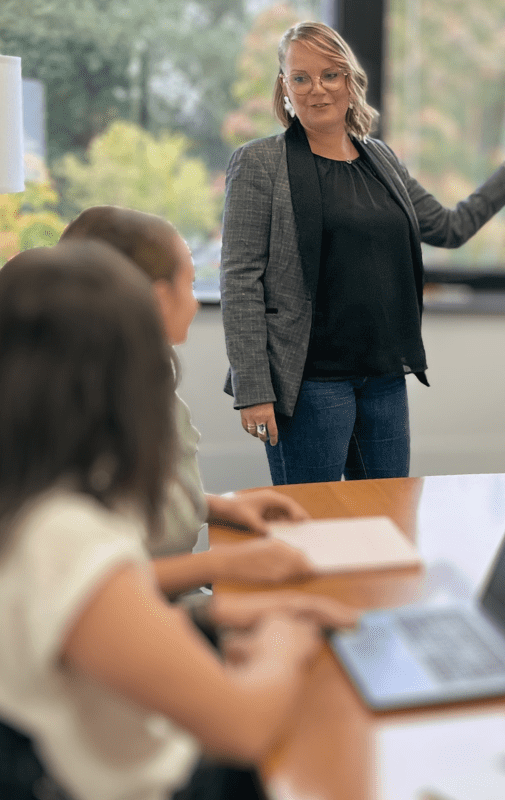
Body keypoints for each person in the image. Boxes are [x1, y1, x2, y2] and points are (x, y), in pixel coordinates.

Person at [0, 241, 358, 800]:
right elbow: (241, 727)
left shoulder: (27, 503)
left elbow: (96, 618)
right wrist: (284, 641)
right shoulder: (60, 533)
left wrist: (233, 613)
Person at [221, 20, 505, 485]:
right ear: (285, 87)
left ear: (350, 82)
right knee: (314, 529)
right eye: (301, 77)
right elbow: (239, 280)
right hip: (310, 383)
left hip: (384, 380)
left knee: (390, 519)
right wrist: (254, 391)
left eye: (330, 75)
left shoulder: (382, 160)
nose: (317, 89)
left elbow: (449, 228)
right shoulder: (259, 163)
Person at [60, 206, 316, 596]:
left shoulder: (142, 374)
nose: (195, 303)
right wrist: (219, 565)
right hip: (134, 610)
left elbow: (145, 497)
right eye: (191, 284)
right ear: (160, 298)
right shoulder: (82, 408)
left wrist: (220, 507)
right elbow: (84, 584)